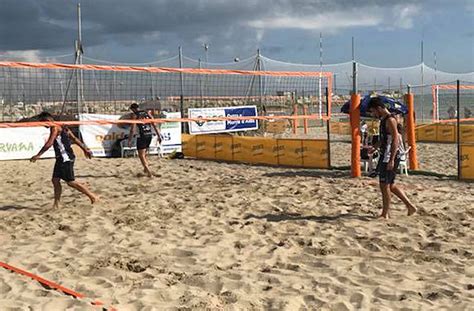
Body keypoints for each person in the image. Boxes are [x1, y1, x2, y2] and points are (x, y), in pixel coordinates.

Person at [30, 112, 98, 208]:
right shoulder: (61, 126)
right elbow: (74, 138)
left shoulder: (55, 128)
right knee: (55, 180)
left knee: (70, 182)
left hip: (65, 158)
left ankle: (92, 196)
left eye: (43, 122)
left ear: (48, 120)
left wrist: (38, 155)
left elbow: (49, 143)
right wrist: (84, 149)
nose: (43, 125)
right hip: (61, 158)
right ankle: (56, 204)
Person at [366, 97, 417, 219]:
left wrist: (391, 159)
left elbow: (395, 139)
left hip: (390, 155)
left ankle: (385, 214)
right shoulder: (384, 119)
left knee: (384, 185)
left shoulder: (390, 120)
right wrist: (375, 147)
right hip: (387, 154)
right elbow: (385, 139)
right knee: (391, 185)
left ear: (379, 108)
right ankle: (410, 206)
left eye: (373, 111)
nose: (373, 114)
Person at [128, 103, 161, 177]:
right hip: (149, 135)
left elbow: (132, 129)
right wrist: (159, 135)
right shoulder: (147, 113)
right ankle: (145, 169)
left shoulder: (135, 115)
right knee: (144, 154)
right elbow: (154, 124)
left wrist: (129, 140)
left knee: (141, 155)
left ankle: (149, 172)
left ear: (133, 109)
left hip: (141, 136)